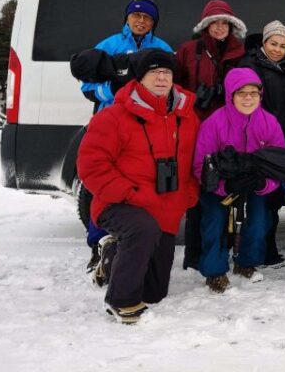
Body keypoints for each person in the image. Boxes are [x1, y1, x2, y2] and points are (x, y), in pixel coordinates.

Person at [76, 49, 199, 323]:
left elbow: (194, 162)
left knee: (155, 292)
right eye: (153, 72)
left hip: (166, 206)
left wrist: (190, 191)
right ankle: (121, 301)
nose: (161, 77)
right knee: (142, 229)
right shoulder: (114, 116)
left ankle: (111, 256)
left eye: (166, 72)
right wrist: (127, 193)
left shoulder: (188, 116)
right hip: (121, 202)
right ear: (140, 78)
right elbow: (90, 165)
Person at [74, 0, 173, 276]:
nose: (141, 21)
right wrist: (115, 90)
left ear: (154, 22)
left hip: (148, 126)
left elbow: (169, 84)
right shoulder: (108, 46)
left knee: (143, 182)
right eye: (136, 16)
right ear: (127, 18)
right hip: (111, 122)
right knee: (103, 184)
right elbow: (86, 86)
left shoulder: (162, 48)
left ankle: (136, 242)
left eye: (147, 17)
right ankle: (99, 245)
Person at [192, 68, 285, 293]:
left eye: (253, 93)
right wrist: (223, 186)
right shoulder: (214, 123)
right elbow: (200, 165)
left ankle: (246, 263)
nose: (248, 98)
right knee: (214, 219)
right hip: (219, 185)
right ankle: (214, 271)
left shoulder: (269, 122)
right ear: (230, 95)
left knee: (261, 218)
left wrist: (265, 185)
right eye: (241, 92)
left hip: (254, 184)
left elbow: (280, 163)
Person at [174, 0, 247, 271]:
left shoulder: (240, 52)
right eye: (214, 22)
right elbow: (173, 87)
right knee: (199, 191)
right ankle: (194, 255)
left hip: (229, 128)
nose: (219, 27)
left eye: (224, 23)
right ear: (206, 25)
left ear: (231, 26)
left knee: (226, 191)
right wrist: (194, 98)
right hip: (197, 127)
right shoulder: (189, 50)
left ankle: (224, 249)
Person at [240, 20, 285, 267]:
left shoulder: (282, 67)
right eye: (273, 43)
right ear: (264, 42)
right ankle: (254, 254)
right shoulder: (252, 67)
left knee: (271, 199)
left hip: (278, 141)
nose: (277, 49)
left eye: (283, 45)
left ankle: (266, 250)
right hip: (259, 142)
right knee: (260, 201)